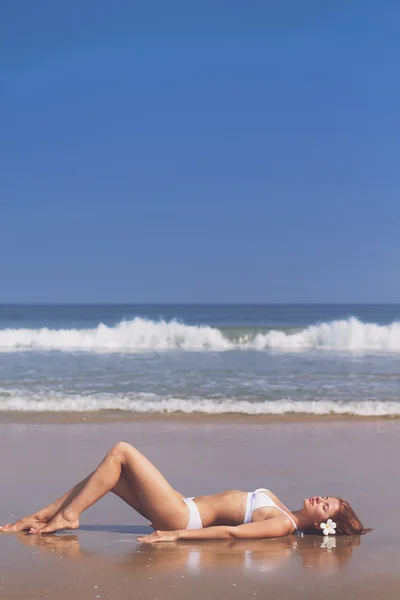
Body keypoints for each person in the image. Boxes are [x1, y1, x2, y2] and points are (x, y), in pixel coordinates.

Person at [0, 441, 368, 541]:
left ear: (323, 525)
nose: (320, 499)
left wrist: (173, 536)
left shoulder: (283, 525)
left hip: (181, 517)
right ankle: (43, 515)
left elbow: (232, 532)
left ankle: (67, 515)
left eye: (326, 507)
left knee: (122, 451)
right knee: (107, 476)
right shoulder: (282, 507)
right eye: (326, 497)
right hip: (183, 502)